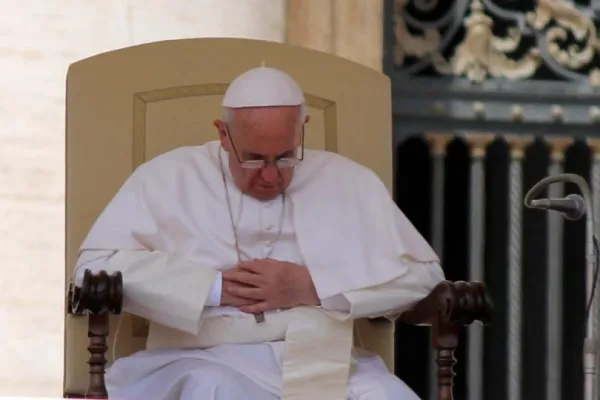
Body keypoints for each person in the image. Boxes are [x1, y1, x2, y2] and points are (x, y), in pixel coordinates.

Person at [74, 66, 444, 400]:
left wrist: (314, 287)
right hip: (204, 357)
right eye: (253, 158)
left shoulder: (349, 180)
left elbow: (424, 277)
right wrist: (213, 288)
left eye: (285, 157)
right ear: (222, 134)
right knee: (214, 389)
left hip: (327, 361)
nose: (270, 176)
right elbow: (92, 270)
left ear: (303, 130)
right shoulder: (167, 178)